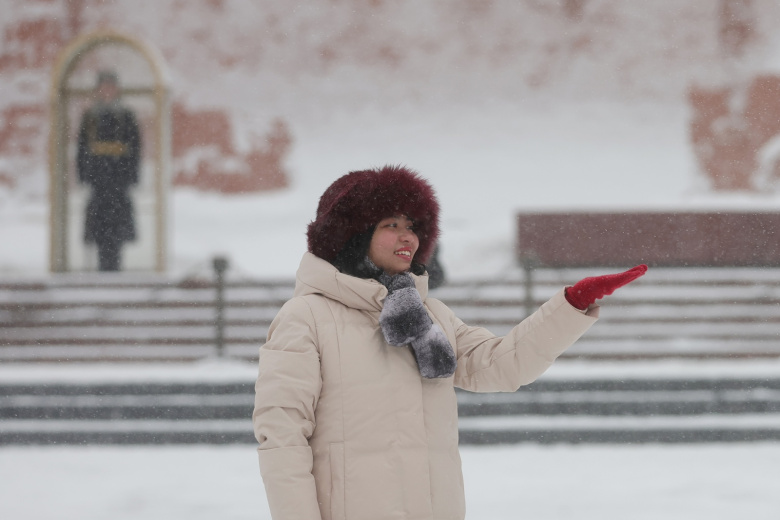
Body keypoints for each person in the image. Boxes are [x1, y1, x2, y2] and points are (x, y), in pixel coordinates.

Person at [252, 165, 646, 520]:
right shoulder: (306, 318)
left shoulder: (430, 316)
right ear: (352, 235)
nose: (407, 236)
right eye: (390, 224)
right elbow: (282, 438)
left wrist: (572, 304)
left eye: (412, 226)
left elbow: (503, 364)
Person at [77, 70, 141, 271]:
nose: (107, 91)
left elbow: (134, 147)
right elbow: (82, 148)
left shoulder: (126, 116)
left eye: (110, 87)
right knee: (99, 227)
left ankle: (115, 265)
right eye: (103, 87)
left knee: (117, 228)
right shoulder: (90, 116)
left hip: (118, 180)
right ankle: (103, 267)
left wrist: (130, 174)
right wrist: (84, 174)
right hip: (98, 180)